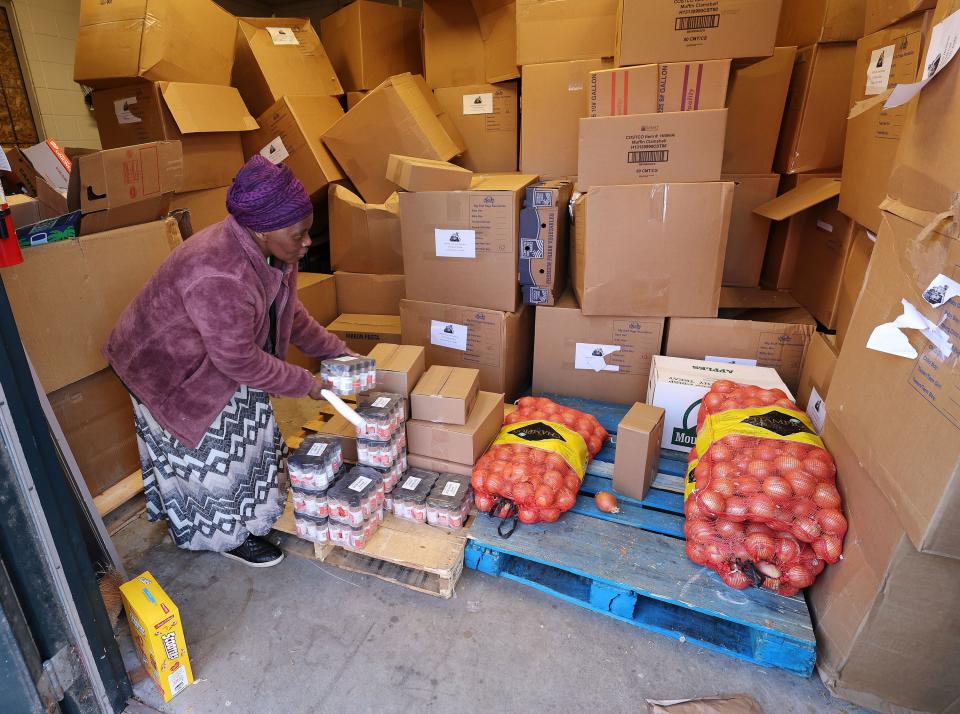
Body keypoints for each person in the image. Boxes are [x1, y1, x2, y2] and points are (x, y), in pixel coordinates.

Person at [104, 156, 350, 568]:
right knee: (208, 457)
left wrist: (335, 351)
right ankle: (222, 535)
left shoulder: (274, 253)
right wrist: (305, 382)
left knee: (248, 432)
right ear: (263, 228)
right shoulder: (219, 273)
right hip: (167, 369)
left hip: (220, 357)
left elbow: (292, 313)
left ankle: (251, 509)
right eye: (301, 234)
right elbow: (238, 359)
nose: (308, 242)